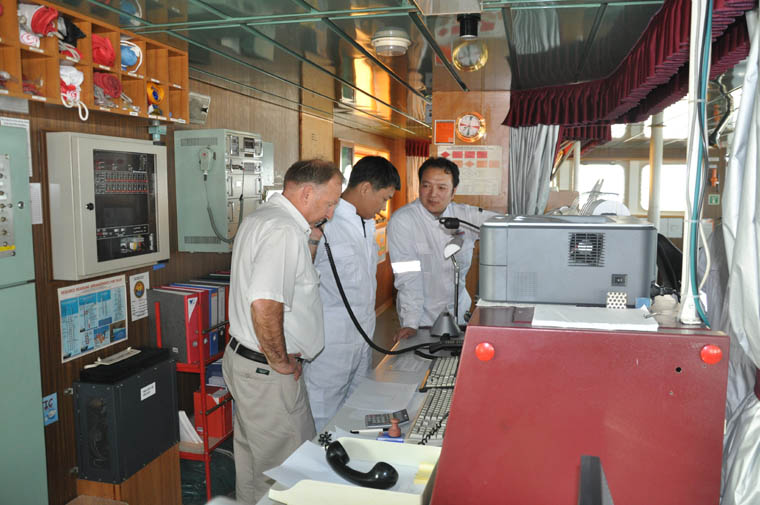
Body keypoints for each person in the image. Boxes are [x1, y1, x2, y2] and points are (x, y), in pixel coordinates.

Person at [222, 159, 343, 503]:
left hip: (249, 363)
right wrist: (279, 361)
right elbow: (265, 303)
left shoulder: (263, 218)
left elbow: (289, 285)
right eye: (329, 203)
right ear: (306, 193)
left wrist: (313, 240)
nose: (331, 213)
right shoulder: (283, 230)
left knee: (256, 469)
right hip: (267, 371)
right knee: (289, 472)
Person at [304, 156, 401, 432]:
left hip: (362, 337)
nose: (383, 207)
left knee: (356, 409)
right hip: (330, 343)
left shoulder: (366, 224)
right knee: (323, 415)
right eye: (383, 199)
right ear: (366, 188)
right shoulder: (325, 224)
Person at [387, 156, 498, 341]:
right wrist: (410, 322)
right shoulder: (403, 221)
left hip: (459, 313)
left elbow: (504, 225)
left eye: (441, 188)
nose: (433, 194)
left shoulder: (466, 216)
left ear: (453, 191)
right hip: (422, 319)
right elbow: (408, 277)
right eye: (426, 186)